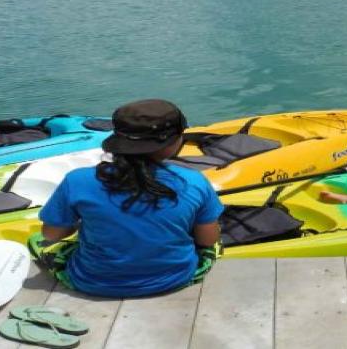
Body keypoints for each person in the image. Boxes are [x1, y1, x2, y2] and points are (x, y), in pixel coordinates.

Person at [31, 99, 224, 298]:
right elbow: (208, 240)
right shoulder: (194, 181)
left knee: (37, 240)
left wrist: (82, 224)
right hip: (174, 278)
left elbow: (51, 235)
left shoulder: (77, 181)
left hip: (91, 281)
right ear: (173, 143)